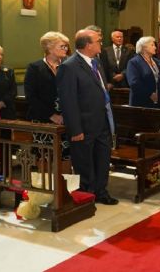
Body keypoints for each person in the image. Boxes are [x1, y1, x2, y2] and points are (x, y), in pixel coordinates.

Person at [57, 29, 118, 205]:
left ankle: (101, 192)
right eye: (98, 41)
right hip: (83, 125)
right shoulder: (69, 66)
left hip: (102, 121)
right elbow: (68, 101)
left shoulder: (96, 62)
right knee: (84, 163)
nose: (101, 43)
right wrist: (75, 129)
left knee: (102, 160)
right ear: (87, 45)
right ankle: (86, 195)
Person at [25, 32, 69, 124]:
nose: (66, 49)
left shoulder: (68, 66)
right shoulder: (35, 68)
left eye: (66, 46)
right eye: (62, 46)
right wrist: (51, 115)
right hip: (42, 119)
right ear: (50, 47)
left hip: (67, 117)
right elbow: (31, 96)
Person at [126, 36, 159, 108]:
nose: (155, 47)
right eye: (152, 45)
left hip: (156, 102)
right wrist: (150, 94)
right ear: (144, 48)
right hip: (141, 102)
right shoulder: (134, 62)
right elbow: (134, 83)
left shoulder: (156, 61)